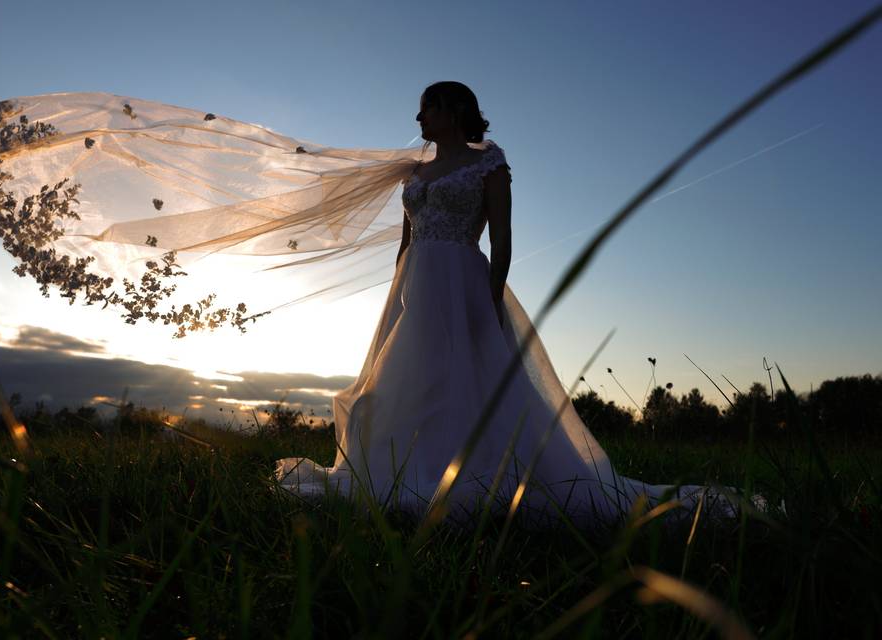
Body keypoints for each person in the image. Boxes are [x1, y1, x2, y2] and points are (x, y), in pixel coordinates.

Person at [274, 82, 734, 526]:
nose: (419, 118)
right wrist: (399, 295)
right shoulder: (415, 173)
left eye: (427, 108)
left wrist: (490, 298)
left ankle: (470, 474)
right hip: (416, 287)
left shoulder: (488, 164)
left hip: (464, 282)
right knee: (408, 378)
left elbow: (502, 239)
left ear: (454, 111)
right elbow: (406, 241)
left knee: (469, 377)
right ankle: (404, 470)